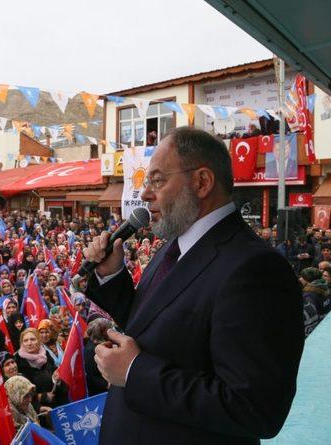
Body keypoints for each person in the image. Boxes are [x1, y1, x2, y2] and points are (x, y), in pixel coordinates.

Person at [85, 126, 303, 444]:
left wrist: (135, 372)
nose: (145, 194)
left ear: (201, 182)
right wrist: (113, 274)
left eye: (157, 180)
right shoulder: (174, 247)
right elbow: (150, 325)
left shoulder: (255, 270)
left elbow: (256, 408)